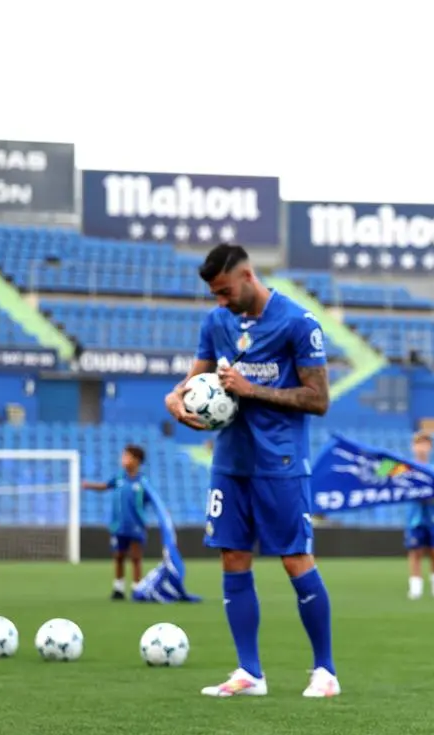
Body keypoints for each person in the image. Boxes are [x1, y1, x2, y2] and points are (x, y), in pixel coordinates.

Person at [163, 243, 339, 699]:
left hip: (280, 461)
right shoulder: (216, 321)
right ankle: (249, 673)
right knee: (232, 556)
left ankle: (325, 671)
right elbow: (195, 377)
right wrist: (176, 396)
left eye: (224, 291)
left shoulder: (297, 322)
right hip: (230, 460)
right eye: (214, 294)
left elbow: (318, 399)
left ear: (247, 275)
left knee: (294, 558)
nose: (220, 300)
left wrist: (252, 388)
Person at [82, 444, 155, 600]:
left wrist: (163, 511)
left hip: (136, 525)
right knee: (119, 556)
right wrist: (89, 485)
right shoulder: (119, 478)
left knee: (136, 557)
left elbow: (153, 500)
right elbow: (105, 486)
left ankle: (137, 588)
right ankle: (118, 588)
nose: (122, 459)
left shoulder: (142, 481)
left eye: (126, 456)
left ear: (136, 460)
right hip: (119, 525)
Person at [406, 432, 434, 600]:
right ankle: (415, 587)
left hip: (432, 516)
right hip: (414, 517)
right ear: (413, 447)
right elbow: (383, 473)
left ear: (430, 447)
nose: (421, 448)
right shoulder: (406, 468)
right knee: (415, 552)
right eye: (418, 444)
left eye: (425, 444)